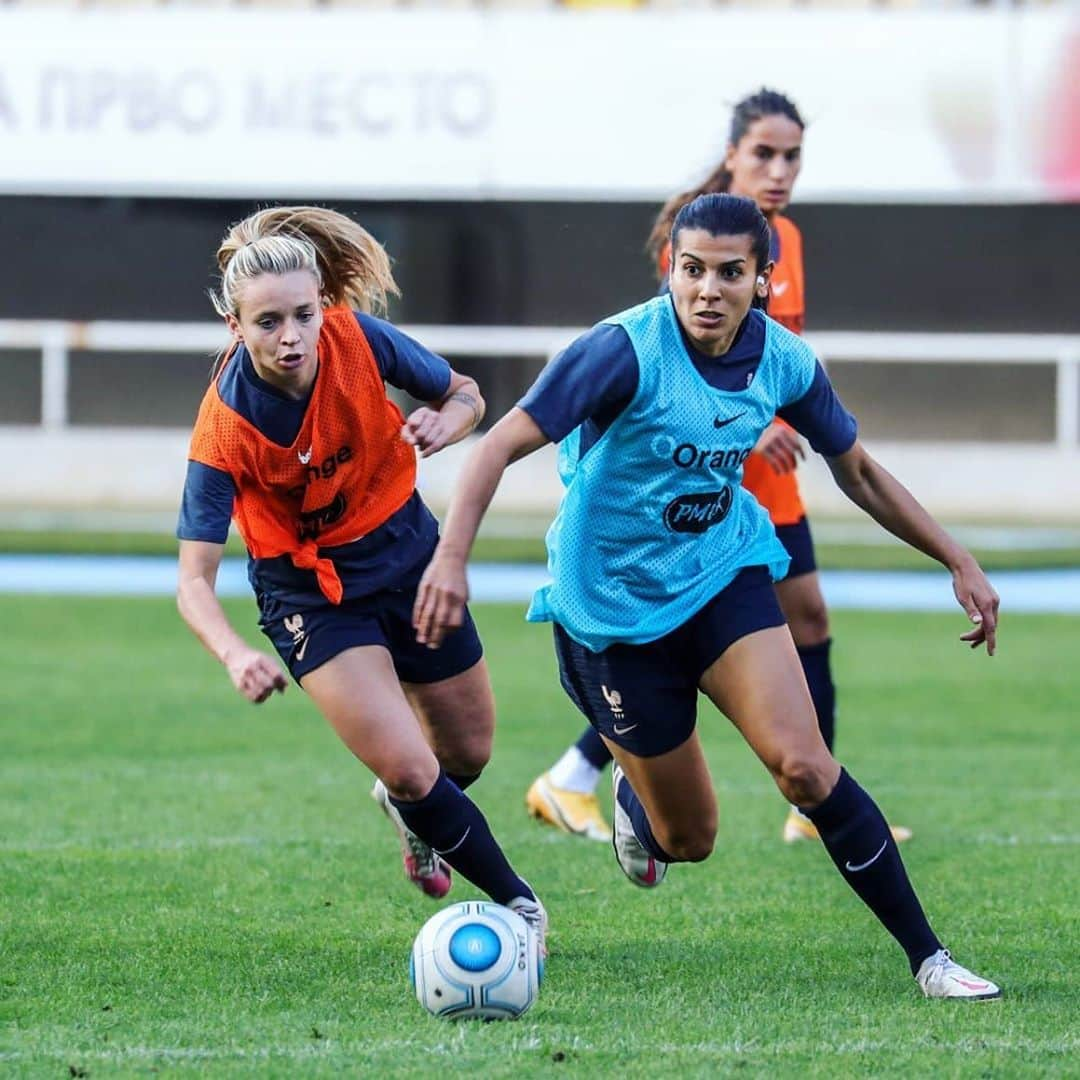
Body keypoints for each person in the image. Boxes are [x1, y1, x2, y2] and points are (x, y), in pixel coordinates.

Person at [415, 193, 1000, 998]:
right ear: (671, 270)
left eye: (731, 273)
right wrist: (451, 559)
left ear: (763, 280)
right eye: (692, 270)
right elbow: (498, 448)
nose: (708, 290)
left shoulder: (786, 360)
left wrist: (956, 558)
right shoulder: (621, 350)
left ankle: (931, 962)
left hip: (723, 576)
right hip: (611, 614)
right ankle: (637, 799)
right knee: (689, 841)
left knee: (804, 767)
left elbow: (857, 471)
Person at [526, 87, 911, 847]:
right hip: (709, 473)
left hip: (764, 467)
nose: (778, 170)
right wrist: (751, 423)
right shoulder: (700, 231)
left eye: (792, 156)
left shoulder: (784, 239)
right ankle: (583, 777)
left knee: (801, 619)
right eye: (763, 153)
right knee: (696, 637)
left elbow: (771, 356)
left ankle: (807, 794)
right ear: (731, 154)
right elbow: (681, 357)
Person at [175, 205, 545, 946]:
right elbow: (194, 580)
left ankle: (413, 815)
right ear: (235, 328)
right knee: (415, 769)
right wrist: (235, 654)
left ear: (324, 307)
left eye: (303, 315)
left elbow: (464, 392)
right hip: (311, 596)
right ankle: (521, 909)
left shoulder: (357, 338)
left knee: (465, 755)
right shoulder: (222, 430)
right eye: (268, 322)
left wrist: (451, 419)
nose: (291, 338)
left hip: (408, 555)